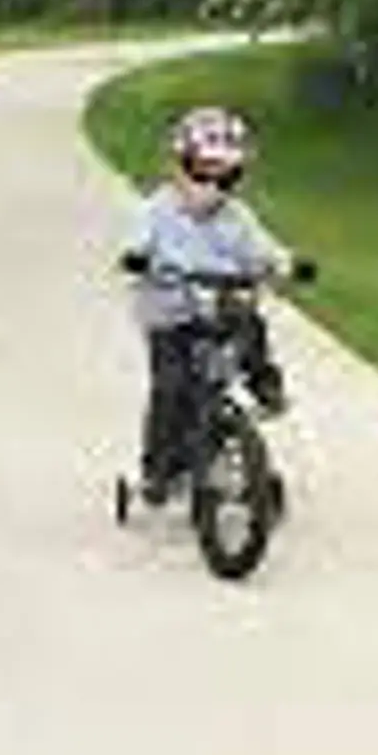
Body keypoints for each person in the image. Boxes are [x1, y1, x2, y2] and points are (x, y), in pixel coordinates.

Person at [121, 105, 299, 505]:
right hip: (169, 313)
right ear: (181, 166)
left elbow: (261, 248)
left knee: (248, 326)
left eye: (225, 174)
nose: (212, 184)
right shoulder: (158, 209)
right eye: (203, 171)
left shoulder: (237, 216)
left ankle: (263, 382)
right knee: (171, 387)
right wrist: (138, 258)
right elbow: (137, 243)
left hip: (220, 304)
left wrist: (284, 264)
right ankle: (159, 469)